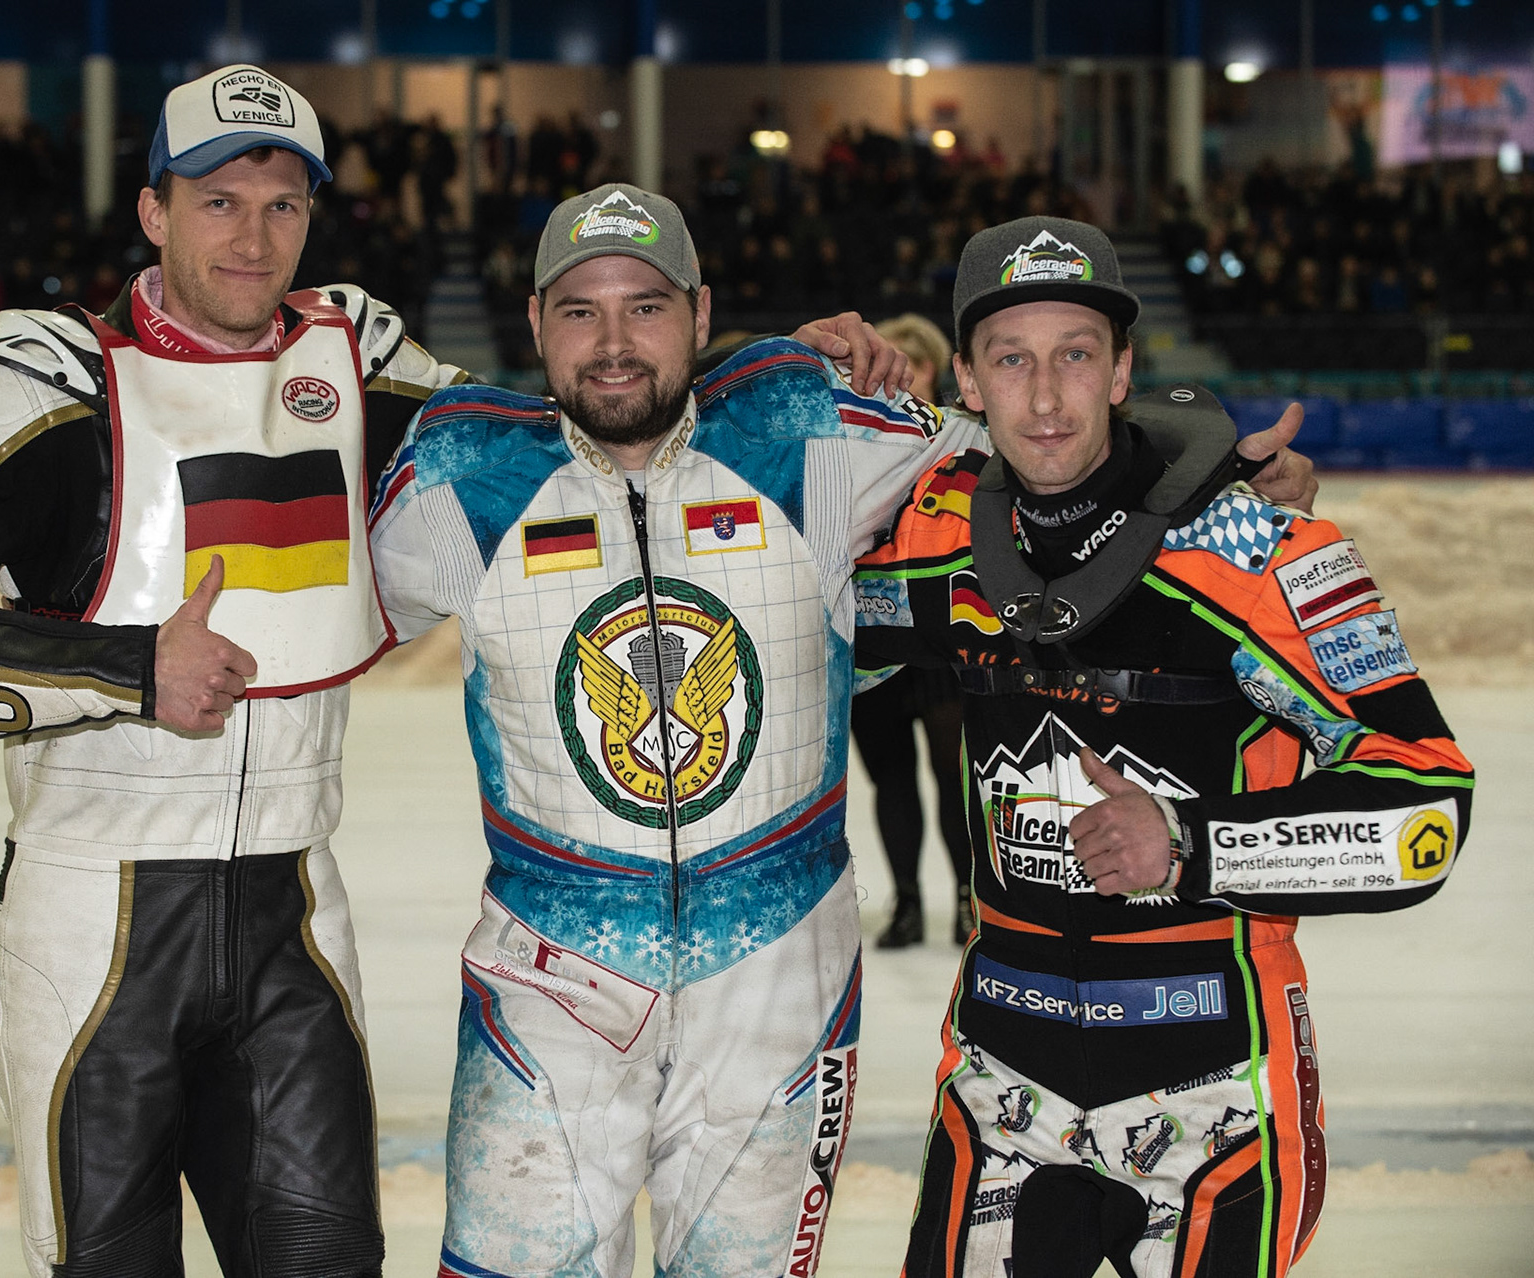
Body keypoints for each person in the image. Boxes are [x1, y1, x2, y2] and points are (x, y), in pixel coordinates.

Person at [367, 189, 1312, 1278]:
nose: (616, 341)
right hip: (551, 983)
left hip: (779, 977)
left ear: (699, 310)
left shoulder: (806, 423)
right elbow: (306, 614)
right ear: (535, 322)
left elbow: (1046, 441)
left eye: (649, 307)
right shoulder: (456, 479)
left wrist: (1209, 473)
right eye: (581, 312)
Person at [0, 66, 465, 1277]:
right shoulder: (50, 376)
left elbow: (570, 441)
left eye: (283, 204)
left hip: (296, 914)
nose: (254, 234)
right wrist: (126, 668)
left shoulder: (365, 357)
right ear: (154, 212)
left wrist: (759, 368)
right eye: (218, 200)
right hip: (91, 926)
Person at [853, 216, 1473, 1278]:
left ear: (1124, 368)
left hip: (1216, 1088)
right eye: (1012, 359)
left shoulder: (1261, 554)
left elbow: (1425, 814)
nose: (1045, 399)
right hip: (1004, 1087)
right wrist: (791, 375)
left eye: (1076, 356)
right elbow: (755, 615)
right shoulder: (929, 541)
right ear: (965, 379)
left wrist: (1193, 847)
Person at [856, 313, 973, 948]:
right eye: (884, 361)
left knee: (956, 775)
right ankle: (905, 904)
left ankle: (964, 900)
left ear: (938, 371)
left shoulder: (962, 444)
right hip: (868, 639)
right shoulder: (847, 448)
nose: (896, 374)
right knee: (891, 779)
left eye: (912, 362)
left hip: (942, 644)